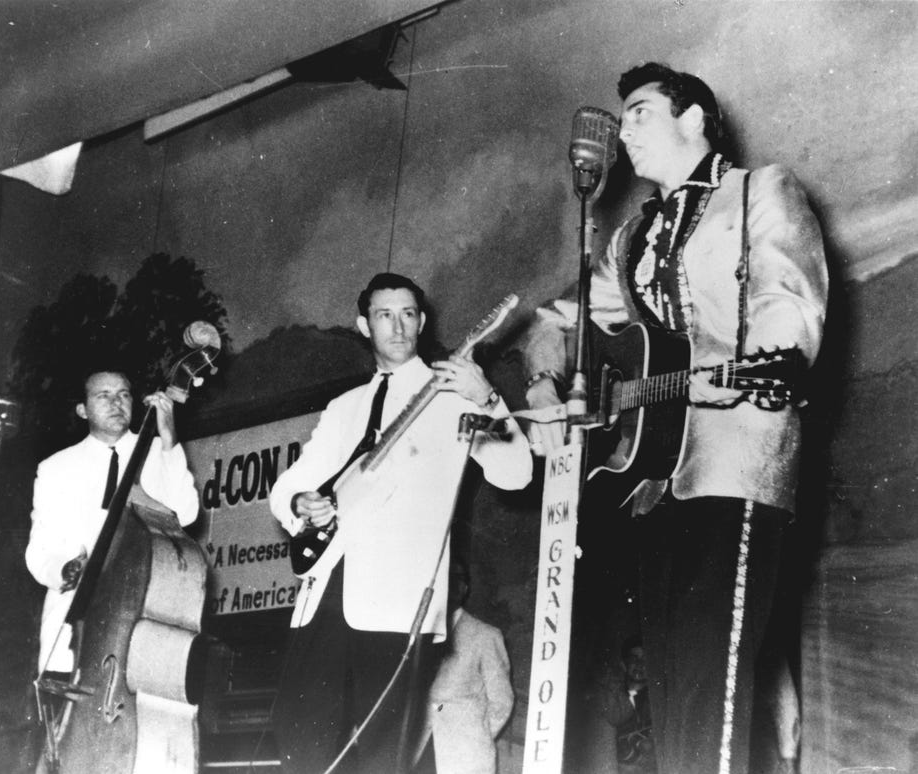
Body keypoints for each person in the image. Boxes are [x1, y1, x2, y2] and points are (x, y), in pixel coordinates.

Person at [522, 63, 827, 773]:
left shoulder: (759, 191)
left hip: (736, 457)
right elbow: (559, 320)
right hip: (650, 480)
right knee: (668, 688)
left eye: (638, 112)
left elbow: (790, 301)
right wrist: (542, 380)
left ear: (694, 118)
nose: (623, 130)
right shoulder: (633, 237)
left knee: (710, 679)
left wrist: (756, 368)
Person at [270, 272, 532, 774]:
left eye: (408, 314)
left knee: (381, 755)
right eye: (384, 315)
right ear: (363, 325)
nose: (398, 326)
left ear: (423, 321)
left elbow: (517, 473)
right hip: (324, 593)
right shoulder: (342, 408)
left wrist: (487, 399)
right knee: (300, 737)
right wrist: (300, 502)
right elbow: (290, 484)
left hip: (396, 606)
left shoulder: (453, 395)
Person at [25, 368, 199, 675]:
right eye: (103, 395)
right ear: (82, 409)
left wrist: (169, 438)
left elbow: (185, 513)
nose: (116, 402)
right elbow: (39, 551)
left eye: (124, 394)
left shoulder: (160, 450)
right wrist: (64, 570)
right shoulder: (55, 468)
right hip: (72, 623)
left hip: (137, 624)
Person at [414, 562, 514, 774]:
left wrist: (475, 735)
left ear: (464, 589)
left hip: (464, 754)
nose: (450, 588)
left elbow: (502, 701)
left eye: (456, 581)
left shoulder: (485, 635)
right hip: (420, 749)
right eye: (445, 581)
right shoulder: (423, 633)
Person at [602, 635, 656, 774]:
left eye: (645, 659)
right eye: (634, 658)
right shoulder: (612, 692)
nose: (640, 664)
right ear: (624, 663)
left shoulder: (656, 700)